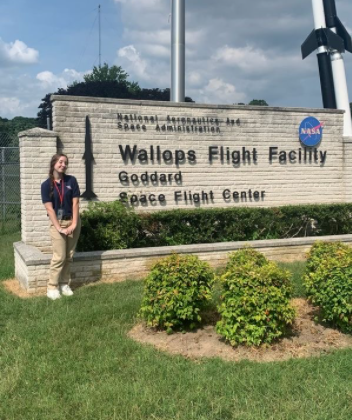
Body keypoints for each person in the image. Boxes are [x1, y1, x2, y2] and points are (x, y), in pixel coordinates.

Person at [41, 154, 81, 300]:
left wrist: (74, 223)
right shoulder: (46, 185)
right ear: (54, 164)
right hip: (57, 223)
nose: (63, 165)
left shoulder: (71, 180)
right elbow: (50, 209)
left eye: (65, 163)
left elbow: (75, 203)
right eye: (60, 162)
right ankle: (52, 287)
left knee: (69, 256)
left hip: (72, 221)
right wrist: (59, 228)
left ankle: (64, 284)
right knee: (59, 256)